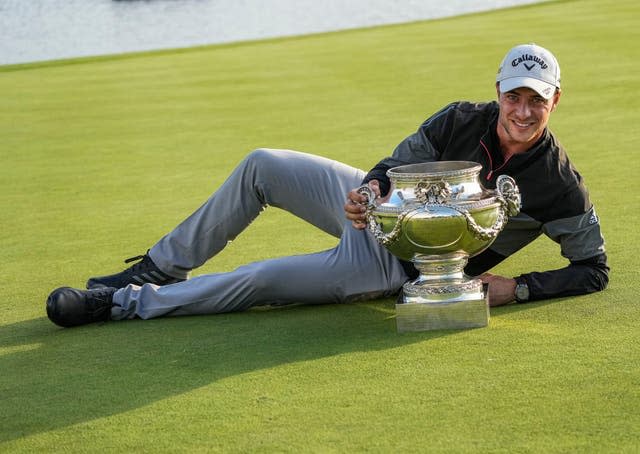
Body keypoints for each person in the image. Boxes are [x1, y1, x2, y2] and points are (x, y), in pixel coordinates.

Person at [46, 43, 609, 328]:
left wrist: (523, 288)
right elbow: (393, 165)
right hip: (384, 218)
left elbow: (593, 269)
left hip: (397, 269)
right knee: (263, 162)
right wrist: (365, 192)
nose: (524, 110)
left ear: (555, 100)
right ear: (499, 91)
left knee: (260, 278)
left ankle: (121, 305)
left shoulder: (560, 185)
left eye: (537, 99)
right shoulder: (460, 119)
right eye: (516, 96)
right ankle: (161, 265)